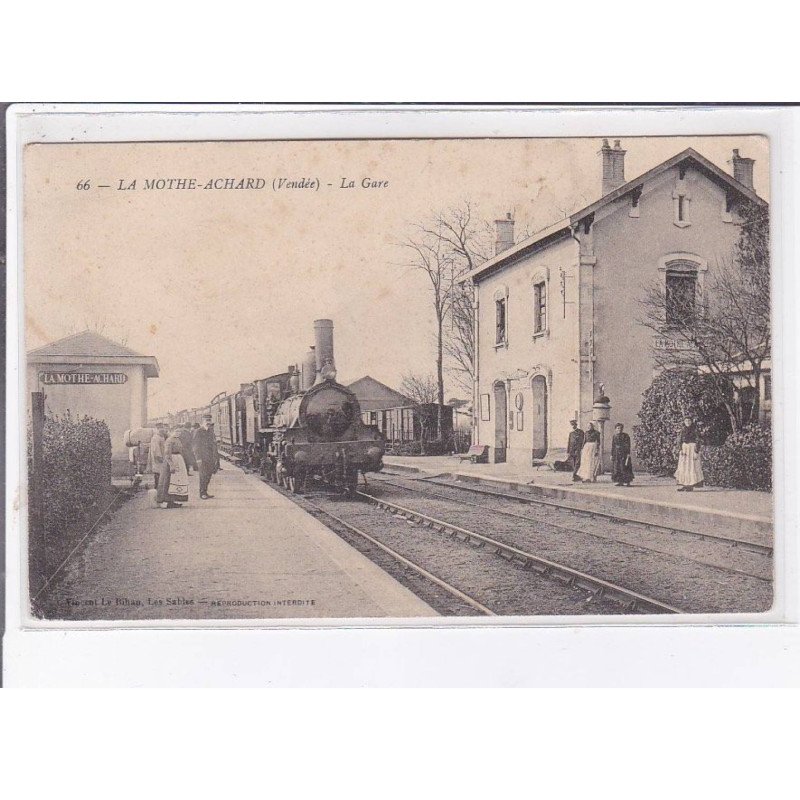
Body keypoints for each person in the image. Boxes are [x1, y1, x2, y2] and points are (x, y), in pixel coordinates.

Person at [156, 426, 189, 508]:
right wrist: (171, 465)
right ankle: (167, 501)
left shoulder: (177, 439)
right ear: (171, 431)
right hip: (171, 462)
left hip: (178, 461)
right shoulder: (169, 440)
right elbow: (167, 454)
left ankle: (174, 500)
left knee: (177, 481)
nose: (178, 433)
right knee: (168, 481)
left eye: (180, 432)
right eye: (176, 431)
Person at [193, 414, 220, 500]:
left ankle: (205, 491)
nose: (208, 422)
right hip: (202, 458)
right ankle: (202, 493)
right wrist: (198, 459)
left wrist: (216, 457)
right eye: (206, 420)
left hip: (210, 458)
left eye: (209, 420)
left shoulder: (211, 431)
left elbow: (214, 445)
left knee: (209, 475)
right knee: (203, 476)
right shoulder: (198, 431)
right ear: (203, 421)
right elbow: (195, 446)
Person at [675, 416, 704, 492]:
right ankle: (685, 484)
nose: (687, 422)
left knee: (691, 467)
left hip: (692, 449)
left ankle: (690, 485)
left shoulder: (695, 430)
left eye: (689, 421)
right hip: (684, 449)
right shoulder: (683, 430)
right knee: (684, 467)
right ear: (684, 422)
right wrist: (680, 449)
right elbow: (679, 440)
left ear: (691, 422)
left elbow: (698, 440)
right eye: (686, 421)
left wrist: (696, 451)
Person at [146, 424, 167, 490]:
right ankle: (157, 487)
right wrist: (159, 456)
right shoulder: (156, 437)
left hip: (162, 456)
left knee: (162, 472)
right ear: (157, 429)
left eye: (163, 428)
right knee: (158, 472)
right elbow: (155, 449)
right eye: (160, 428)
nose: (162, 430)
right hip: (157, 458)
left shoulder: (162, 437)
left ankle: (160, 487)